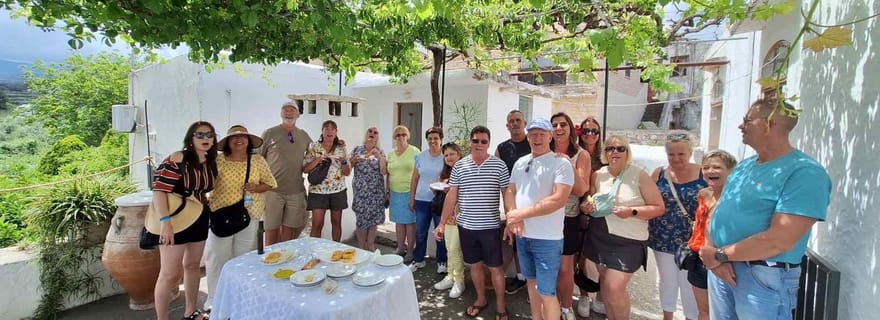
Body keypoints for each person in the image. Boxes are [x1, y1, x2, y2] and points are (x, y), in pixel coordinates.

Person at [699, 99, 831, 320]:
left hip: (763, 276)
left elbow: (780, 239)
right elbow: (719, 211)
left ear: (771, 124)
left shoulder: (805, 173)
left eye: (747, 120)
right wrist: (712, 252)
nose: (741, 126)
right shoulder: (744, 166)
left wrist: (719, 256)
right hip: (724, 268)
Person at [580, 135, 665, 320]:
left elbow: (659, 207)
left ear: (628, 152)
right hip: (600, 236)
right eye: (610, 148)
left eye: (620, 149)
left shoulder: (639, 174)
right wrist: (586, 206)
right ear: (604, 152)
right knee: (607, 287)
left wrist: (632, 211)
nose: (615, 152)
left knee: (613, 286)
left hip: (629, 241)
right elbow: (589, 198)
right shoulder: (598, 175)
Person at [435, 125, 511, 320]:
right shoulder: (460, 166)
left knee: (495, 268)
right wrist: (442, 223)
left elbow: (507, 194)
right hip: (466, 227)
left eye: (483, 141)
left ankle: (501, 306)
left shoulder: (499, 165)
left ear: (488, 143)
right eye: (475, 140)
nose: (479, 144)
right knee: (475, 266)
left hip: (490, 227)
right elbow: (452, 196)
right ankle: (481, 300)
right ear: (470, 142)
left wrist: (511, 221)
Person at [504, 118, 574, 320]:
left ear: (550, 137)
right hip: (523, 236)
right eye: (533, 134)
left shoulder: (561, 163)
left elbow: (558, 200)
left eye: (542, 134)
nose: (537, 138)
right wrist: (512, 216)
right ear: (527, 137)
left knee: (547, 293)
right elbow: (511, 190)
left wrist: (520, 214)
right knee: (532, 286)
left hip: (547, 239)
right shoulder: (520, 162)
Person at [204, 125, 277, 311]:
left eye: (243, 137)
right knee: (217, 258)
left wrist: (255, 187)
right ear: (228, 141)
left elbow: (270, 183)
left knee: (243, 258)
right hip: (221, 214)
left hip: (249, 214)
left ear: (249, 141)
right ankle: (214, 298)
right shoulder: (218, 161)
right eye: (234, 138)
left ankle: (240, 296)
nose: (239, 140)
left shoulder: (257, 160)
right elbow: (205, 183)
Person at [152, 121, 218, 320]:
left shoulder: (210, 161)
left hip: (198, 216)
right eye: (200, 135)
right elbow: (159, 190)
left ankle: (191, 311)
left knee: (192, 265)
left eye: (209, 134)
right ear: (191, 138)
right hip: (176, 219)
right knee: (170, 274)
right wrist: (165, 222)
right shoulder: (178, 158)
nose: (205, 138)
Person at [648, 133, 706, 320]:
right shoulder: (658, 174)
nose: (676, 159)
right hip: (662, 237)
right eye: (671, 154)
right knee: (667, 280)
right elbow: (649, 200)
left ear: (690, 153)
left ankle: (691, 317)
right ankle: (667, 316)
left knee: (690, 282)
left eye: (681, 154)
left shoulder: (703, 174)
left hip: (694, 240)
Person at [549, 112, 591, 320]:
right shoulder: (544, 151)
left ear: (570, 128)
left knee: (566, 268)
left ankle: (566, 307)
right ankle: (551, 306)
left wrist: (567, 164)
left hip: (568, 218)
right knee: (548, 266)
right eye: (554, 125)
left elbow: (581, 188)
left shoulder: (580, 155)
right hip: (545, 216)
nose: (558, 128)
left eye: (563, 124)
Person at [688, 150, 737, 320]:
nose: (710, 171)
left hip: (722, 259)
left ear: (731, 171)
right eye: (706, 167)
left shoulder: (736, 198)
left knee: (723, 312)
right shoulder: (703, 194)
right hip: (699, 256)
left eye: (717, 167)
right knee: (703, 310)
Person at [259, 102, 313, 245]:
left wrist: (338, 144)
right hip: (272, 191)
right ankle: (270, 264)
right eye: (285, 110)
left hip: (296, 192)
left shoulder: (303, 135)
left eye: (292, 110)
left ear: (298, 114)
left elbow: (316, 152)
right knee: (271, 231)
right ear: (281, 114)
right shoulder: (269, 133)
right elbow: (258, 158)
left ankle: (285, 263)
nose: (289, 113)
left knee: (289, 235)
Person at [494, 110, 531, 294]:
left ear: (524, 123)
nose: (515, 123)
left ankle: (536, 285)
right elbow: (495, 175)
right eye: (511, 121)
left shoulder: (534, 143)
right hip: (511, 204)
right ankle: (520, 277)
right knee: (515, 241)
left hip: (534, 204)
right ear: (507, 126)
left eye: (518, 120)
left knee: (534, 242)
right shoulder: (501, 148)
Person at [576, 115, 606, 317]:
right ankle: (584, 295)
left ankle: (602, 297)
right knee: (580, 257)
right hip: (578, 209)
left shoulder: (606, 156)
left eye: (594, 131)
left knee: (603, 259)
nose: (590, 134)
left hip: (602, 212)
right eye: (586, 131)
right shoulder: (575, 153)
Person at [303, 120, 351, 242]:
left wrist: (344, 162)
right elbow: (305, 169)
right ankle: (314, 251)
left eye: (332, 129)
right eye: (326, 128)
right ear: (322, 131)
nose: (329, 131)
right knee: (317, 224)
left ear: (336, 132)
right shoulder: (314, 147)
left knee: (336, 222)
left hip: (338, 190)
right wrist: (318, 160)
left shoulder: (341, 148)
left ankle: (336, 249)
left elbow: (347, 172)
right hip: (318, 191)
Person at [409, 127, 447, 272]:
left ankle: (442, 262)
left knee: (440, 232)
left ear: (441, 139)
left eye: (436, 138)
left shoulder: (445, 156)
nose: (433, 141)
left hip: (440, 201)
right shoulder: (421, 157)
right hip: (421, 200)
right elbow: (414, 179)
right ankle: (418, 260)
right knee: (420, 232)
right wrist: (412, 199)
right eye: (430, 138)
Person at [432, 142, 467, 298]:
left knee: (455, 249)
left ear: (459, 154)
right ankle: (450, 276)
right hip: (447, 217)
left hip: (460, 217)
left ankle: (460, 280)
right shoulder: (446, 173)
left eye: (452, 154)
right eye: (446, 155)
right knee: (448, 248)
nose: (449, 157)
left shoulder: (466, 170)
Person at [349, 127, 388, 250]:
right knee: (361, 220)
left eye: (375, 132)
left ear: (377, 137)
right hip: (361, 191)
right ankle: (361, 247)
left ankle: (370, 245)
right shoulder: (357, 150)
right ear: (366, 134)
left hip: (376, 192)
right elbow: (347, 169)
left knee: (373, 220)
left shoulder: (380, 152)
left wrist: (380, 158)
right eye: (370, 131)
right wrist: (352, 161)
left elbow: (383, 172)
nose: (372, 134)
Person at [386, 125, 420, 262]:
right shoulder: (391, 154)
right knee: (399, 222)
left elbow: (419, 173)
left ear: (407, 136)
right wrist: (387, 191)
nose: (401, 137)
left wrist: (415, 195)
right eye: (398, 135)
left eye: (403, 134)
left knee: (410, 223)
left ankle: (410, 251)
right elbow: (388, 174)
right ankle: (400, 248)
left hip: (409, 192)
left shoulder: (414, 151)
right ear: (394, 138)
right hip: (394, 192)